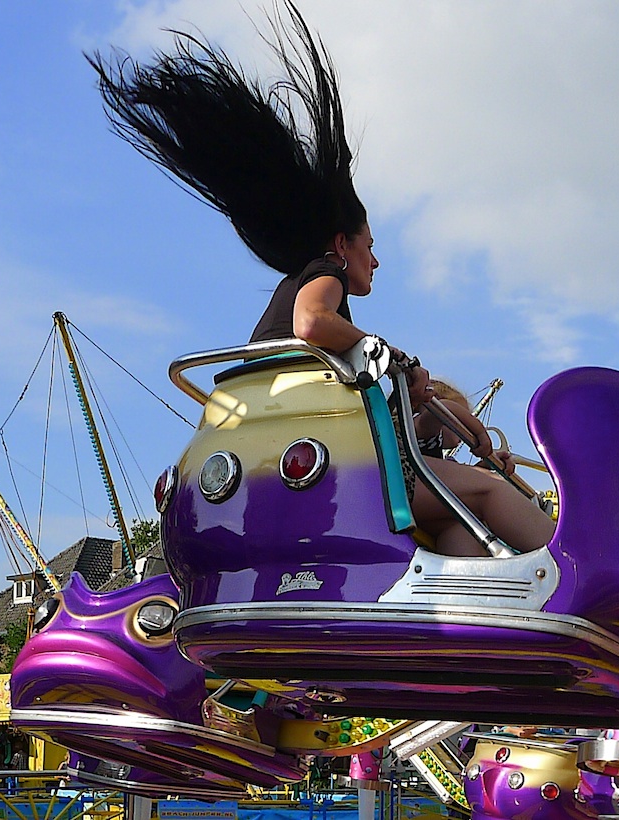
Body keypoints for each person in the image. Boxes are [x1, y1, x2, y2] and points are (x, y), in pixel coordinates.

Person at [88, 0, 554, 557]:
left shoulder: (300, 330)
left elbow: (430, 412)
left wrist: (466, 428)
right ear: (341, 245)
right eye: (369, 247)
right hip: (347, 472)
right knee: (488, 490)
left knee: (458, 527)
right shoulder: (323, 276)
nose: (375, 261)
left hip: (264, 459)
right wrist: (390, 354)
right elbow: (312, 322)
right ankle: (575, 569)